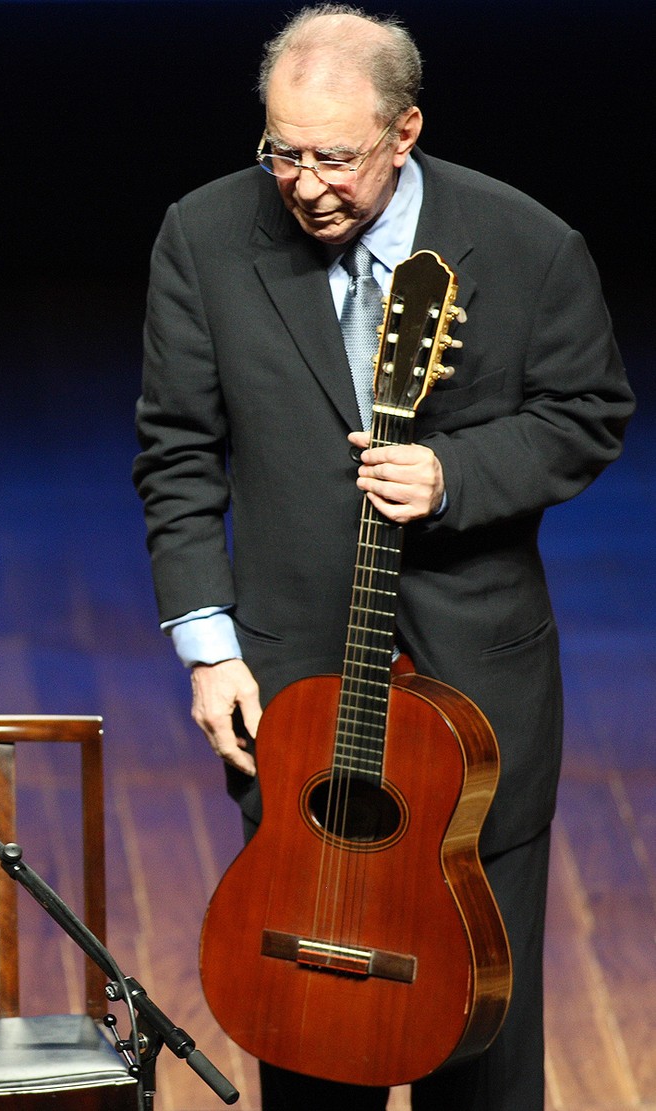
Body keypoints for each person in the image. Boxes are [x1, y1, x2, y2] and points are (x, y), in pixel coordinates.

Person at [132, 6, 635, 1109]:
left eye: (335, 157)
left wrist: (456, 476)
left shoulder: (527, 244)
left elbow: (588, 411)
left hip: (480, 700)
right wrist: (209, 651)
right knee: (311, 1024)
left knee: (479, 1042)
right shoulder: (205, 235)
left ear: (404, 132)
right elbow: (176, 454)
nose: (305, 184)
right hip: (297, 693)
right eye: (282, 152)